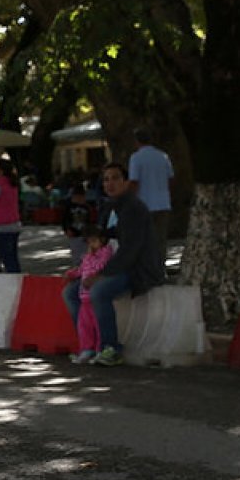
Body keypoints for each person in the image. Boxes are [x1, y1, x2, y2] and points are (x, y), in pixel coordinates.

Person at [61, 163, 164, 367]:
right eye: (106, 179)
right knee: (70, 293)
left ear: (126, 182)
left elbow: (130, 251)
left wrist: (101, 275)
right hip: (107, 264)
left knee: (99, 291)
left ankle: (110, 348)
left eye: (116, 178)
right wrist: (83, 269)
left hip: (136, 268)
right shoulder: (108, 207)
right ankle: (89, 345)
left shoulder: (133, 208)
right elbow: (102, 239)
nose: (110, 183)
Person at [64, 226, 114, 364]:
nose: (91, 245)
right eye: (89, 242)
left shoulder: (105, 254)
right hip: (84, 298)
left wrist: (92, 257)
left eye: (94, 241)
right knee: (84, 325)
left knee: (98, 325)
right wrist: (72, 274)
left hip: (93, 297)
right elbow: (82, 270)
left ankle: (99, 350)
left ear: (102, 240)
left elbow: (100, 266)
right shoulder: (88, 257)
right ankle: (86, 349)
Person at [127, 127, 174, 269]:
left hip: (144, 203)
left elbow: (134, 181)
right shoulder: (163, 156)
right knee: (160, 238)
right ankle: (160, 267)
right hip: (163, 203)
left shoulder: (136, 158)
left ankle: (148, 267)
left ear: (136, 141)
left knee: (144, 238)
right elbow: (170, 178)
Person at [0, 158, 23, 272]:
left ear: (1, 170)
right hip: (15, 222)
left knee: (7, 257)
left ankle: (12, 278)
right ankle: (17, 277)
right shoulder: (13, 183)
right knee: (13, 256)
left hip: (4, 225)